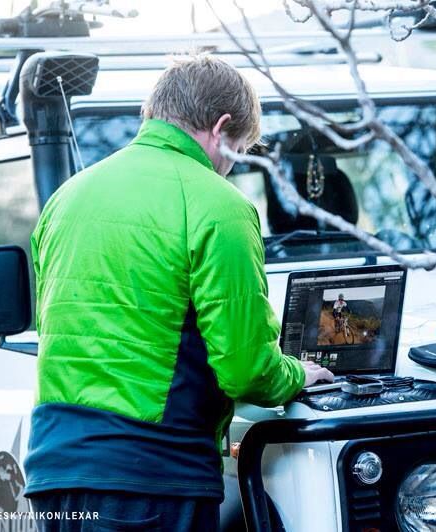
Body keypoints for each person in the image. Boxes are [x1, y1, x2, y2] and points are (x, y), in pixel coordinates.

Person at [24, 55, 334, 531]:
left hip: (53, 475)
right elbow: (247, 369)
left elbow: (58, 331)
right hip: (151, 478)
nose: (230, 168)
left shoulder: (66, 199)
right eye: (238, 152)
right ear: (221, 127)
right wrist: (297, 374)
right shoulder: (218, 204)